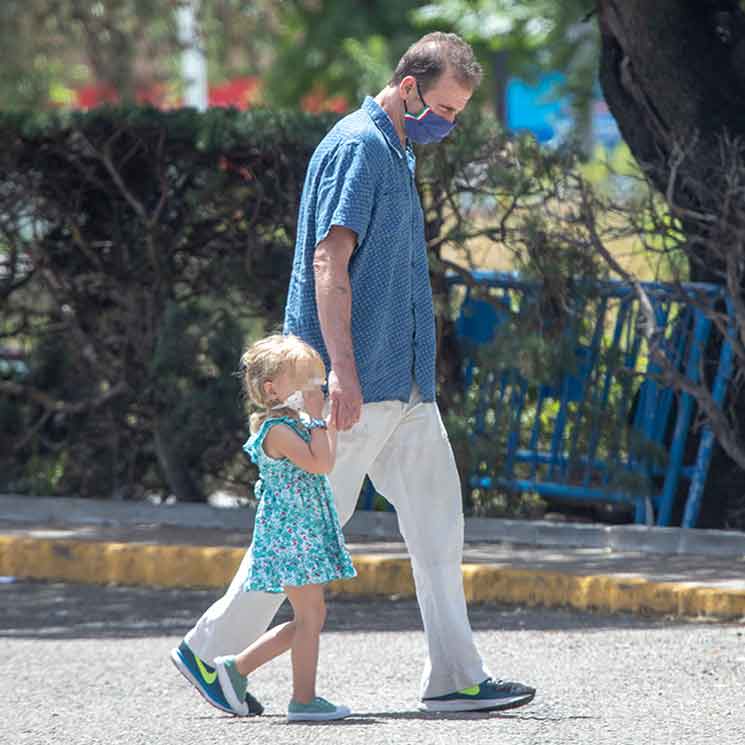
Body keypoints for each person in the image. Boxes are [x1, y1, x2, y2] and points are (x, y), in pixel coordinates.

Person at [172, 31, 536, 715]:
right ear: (408, 88)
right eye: (445, 109)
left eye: (457, 114)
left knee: (437, 523)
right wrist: (338, 375)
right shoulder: (358, 148)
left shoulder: (393, 149)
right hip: (353, 386)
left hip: (403, 386)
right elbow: (327, 266)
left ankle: (455, 675)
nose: (448, 124)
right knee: (305, 527)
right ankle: (208, 646)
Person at [174, 334, 356, 721]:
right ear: (272, 389)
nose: (314, 389)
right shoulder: (278, 430)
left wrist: (324, 423)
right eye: (305, 380)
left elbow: (326, 460)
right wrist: (321, 420)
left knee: (312, 615)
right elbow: (319, 464)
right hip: (291, 535)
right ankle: (302, 700)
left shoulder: (299, 423)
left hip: (305, 529)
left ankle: (234, 670)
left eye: (317, 381)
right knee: (310, 615)